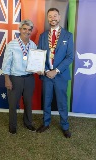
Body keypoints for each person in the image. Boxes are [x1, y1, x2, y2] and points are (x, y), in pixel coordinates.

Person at [36, 8, 74, 138]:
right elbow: (39, 55)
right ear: (48, 19)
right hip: (47, 75)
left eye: (55, 16)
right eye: (50, 16)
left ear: (59, 17)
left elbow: (69, 57)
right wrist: (47, 71)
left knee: (62, 102)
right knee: (46, 100)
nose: (53, 18)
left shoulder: (68, 35)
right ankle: (46, 123)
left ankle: (65, 126)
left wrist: (56, 71)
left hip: (60, 75)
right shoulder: (42, 36)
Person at [2, 20, 37, 134]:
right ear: (20, 29)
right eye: (24, 29)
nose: (27, 31)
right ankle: (12, 126)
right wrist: (7, 79)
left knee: (28, 102)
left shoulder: (33, 45)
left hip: (29, 78)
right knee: (13, 103)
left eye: (29, 29)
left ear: (31, 31)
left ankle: (28, 123)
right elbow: (6, 63)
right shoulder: (12, 44)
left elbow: (36, 62)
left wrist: (39, 69)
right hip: (15, 78)